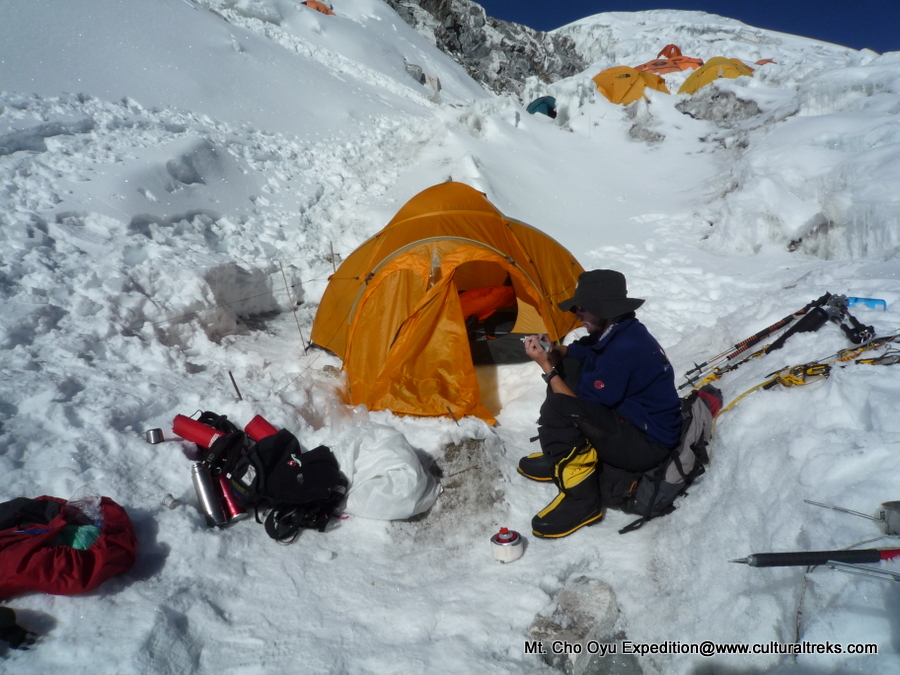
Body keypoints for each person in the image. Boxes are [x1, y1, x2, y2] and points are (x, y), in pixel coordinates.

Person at [520, 269, 681, 538]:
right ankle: (563, 460)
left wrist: (548, 368)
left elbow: (574, 407)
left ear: (604, 309)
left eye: (582, 308)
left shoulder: (623, 349)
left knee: (558, 406)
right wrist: (556, 351)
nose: (577, 314)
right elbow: (585, 349)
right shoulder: (620, 329)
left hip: (645, 445)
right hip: (634, 421)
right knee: (570, 366)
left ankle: (584, 501)